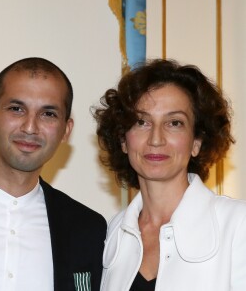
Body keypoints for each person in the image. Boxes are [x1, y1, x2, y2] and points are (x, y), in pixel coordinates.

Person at [0, 57, 107, 291]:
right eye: (16, 109)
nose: (30, 127)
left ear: (66, 130)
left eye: (48, 114)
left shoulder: (87, 229)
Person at [93, 59, 246, 290]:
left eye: (174, 123)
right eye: (141, 122)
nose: (156, 139)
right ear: (123, 140)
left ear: (197, 142)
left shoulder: (237, 224)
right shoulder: (116, 231)